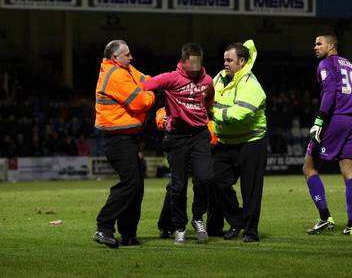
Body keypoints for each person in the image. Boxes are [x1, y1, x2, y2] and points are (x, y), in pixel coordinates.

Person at [142, 43, 215, 245]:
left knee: (205, 178)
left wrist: (207, 116)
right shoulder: (170, 78)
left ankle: (198, 217)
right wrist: (160, 113)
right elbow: (145, 87)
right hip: (177, 137)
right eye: (191, 63)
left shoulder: (208, 80)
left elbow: (208, 101)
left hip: (200, 134)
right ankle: (179, 227)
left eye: (198, 63)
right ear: (182, 61)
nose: (195, 68)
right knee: (178, 185)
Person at [303, 33, 352, 236]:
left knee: (309, 167)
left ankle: (325, 218)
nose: (315, 47)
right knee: (349, 171)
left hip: (335, 119)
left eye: (318, 43)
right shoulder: (351, 66)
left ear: (331, 46)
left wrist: (319, 120)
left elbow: (330, 92)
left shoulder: (326, 64)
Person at [93, 40, 156, 248]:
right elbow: (141, 101)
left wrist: (152, 85)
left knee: (136, 187)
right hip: (117, 138)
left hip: (128, 137)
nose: (131, 57)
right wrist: (153, 93)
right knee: (130, 184)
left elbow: (146, 80)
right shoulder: (117, 75)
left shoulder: (124, 68)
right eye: (127, 55)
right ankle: (104, 227)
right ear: (115, 58)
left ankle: (128, 234)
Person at [208, 40, 267, 243]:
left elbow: (241, 113)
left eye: (229, 60)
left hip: (252, 142)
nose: (225, 63)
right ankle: (238, 220)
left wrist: (213, 113)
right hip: (226, 142)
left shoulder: (251, 83)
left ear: (241, 61)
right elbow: (206, 99)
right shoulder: (219, 78)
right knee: (215, 180)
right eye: (224, 59)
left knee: (250, 190)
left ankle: (251, 232)